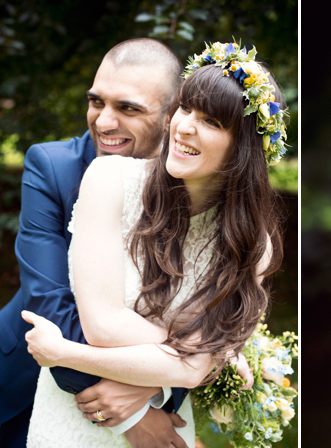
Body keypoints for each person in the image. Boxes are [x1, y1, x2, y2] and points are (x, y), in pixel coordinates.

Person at [21, 40, 285, 448]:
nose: (183, 126)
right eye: (186, 108)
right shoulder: (109, 180)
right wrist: (198, 355)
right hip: (68, 425)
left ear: (244, 148)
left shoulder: (254, 247)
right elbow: (103, 326)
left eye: (212, 121)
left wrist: (66, 354)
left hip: (168, 424)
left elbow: (195, 370)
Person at [0, 38, 203, 448]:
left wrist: (154, 388)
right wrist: (136, 416)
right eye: (97, 102)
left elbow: (209, 315)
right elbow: (50, 305)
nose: (104, 122)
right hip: (18, 382)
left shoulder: (196, 186)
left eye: (128, 108)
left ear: (171, 117)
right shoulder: (51, 167)